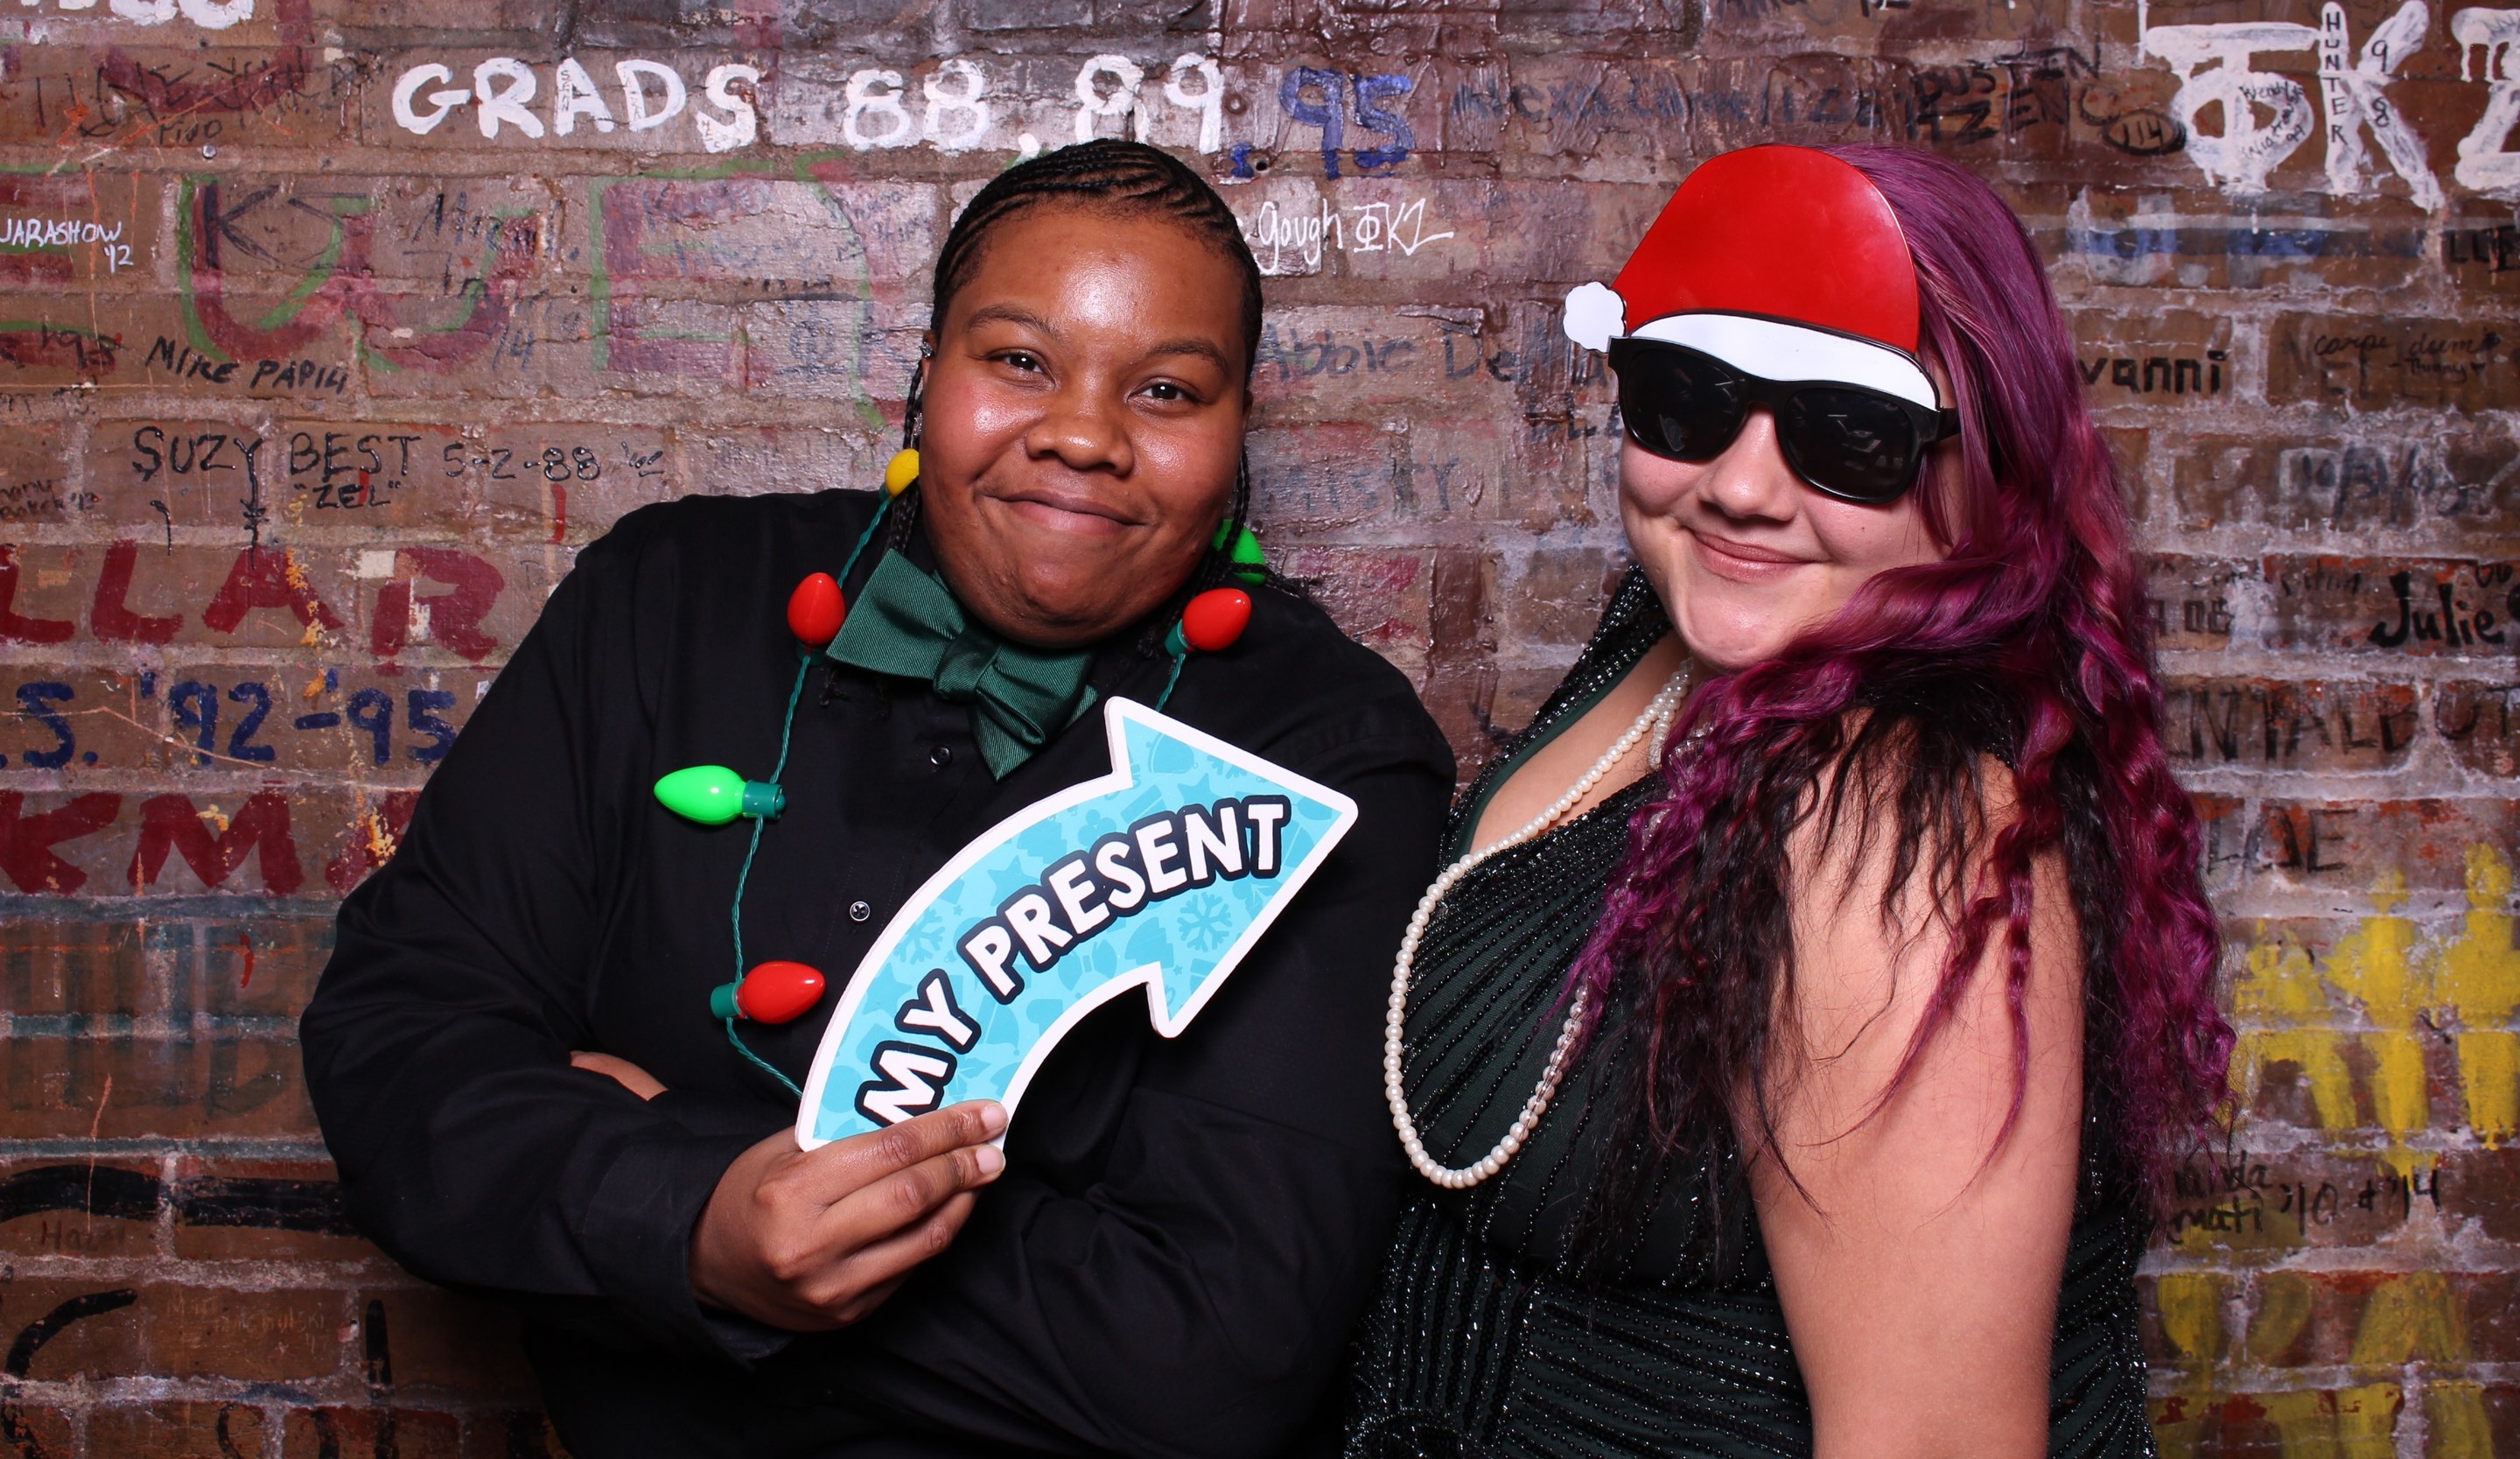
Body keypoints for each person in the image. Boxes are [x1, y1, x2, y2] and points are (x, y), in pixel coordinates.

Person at [302, 140, 1456, 1458]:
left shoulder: (1328, 756)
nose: (1083, 434)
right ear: (924, 375)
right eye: (1019, 360)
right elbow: (400, 1048)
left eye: (1167, 390)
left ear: (1237, 432)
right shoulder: (664, 605)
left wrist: (664, 1162)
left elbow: (1211, 1353)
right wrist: (698, 1219)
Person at [1347, 144, 2230, 1458]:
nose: (1742, 488)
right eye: (1687, 399)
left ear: (1988, 467)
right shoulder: (1686, 630)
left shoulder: (1900, 819)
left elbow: (1931, 1443)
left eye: (1848, 434)